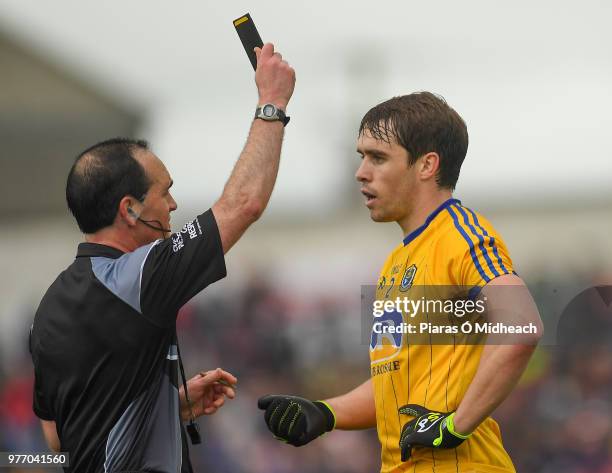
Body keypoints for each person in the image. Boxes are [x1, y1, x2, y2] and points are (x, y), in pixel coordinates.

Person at [29, 43, 295, 473]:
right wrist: (272, 103)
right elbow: (242, 204)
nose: (173, 205)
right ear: (129, 209)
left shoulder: (49, 306)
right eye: (164, 191)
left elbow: (58, 437)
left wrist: (167, 409)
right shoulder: (138, 277)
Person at [258, 92, 543, 472]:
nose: (361, 171)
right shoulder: (397, 261)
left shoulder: (462, 236)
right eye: (362, 156)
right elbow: (397, 386)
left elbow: (522, 327)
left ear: (426, 165)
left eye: (377, 157)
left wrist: (454, 428)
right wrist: (326, 413)